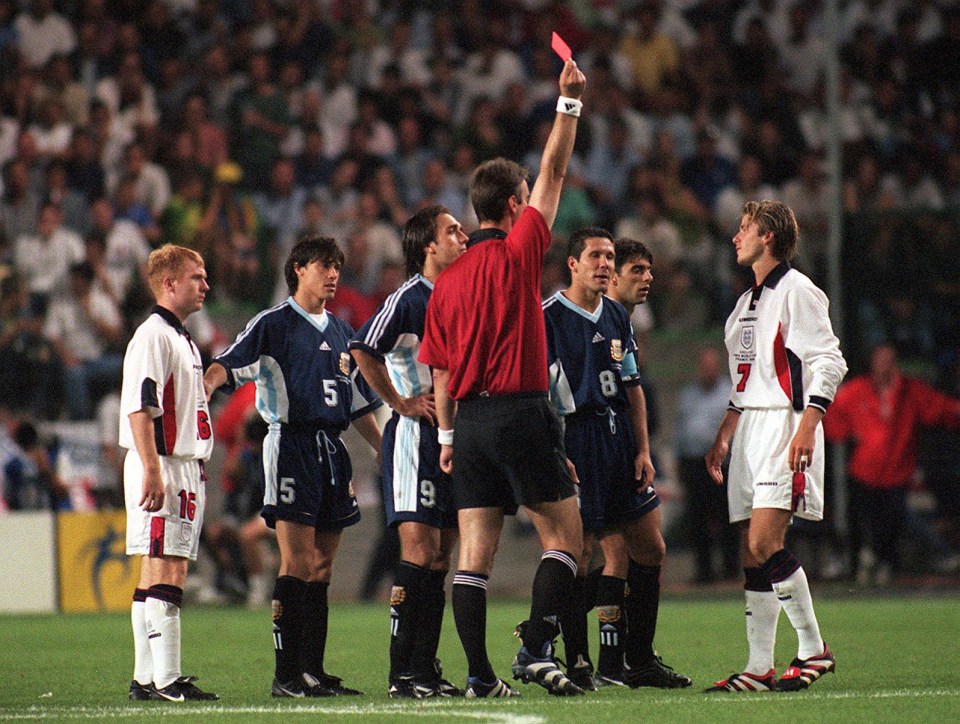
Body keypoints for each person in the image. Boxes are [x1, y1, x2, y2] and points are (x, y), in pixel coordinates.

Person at [418, 58, 587, 699]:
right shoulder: (519, 253)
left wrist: (446, 437)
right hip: (520, 410)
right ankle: (535, 643)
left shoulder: (445, 282)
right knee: (566, 538)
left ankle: (478, 677)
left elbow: (437, 369)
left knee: (473, 556)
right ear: (515, 207)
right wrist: (567, 104)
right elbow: (555, 171)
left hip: (470, 424)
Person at [203, 233, 382, 698]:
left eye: (337, 267)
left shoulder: (344, 333)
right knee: (297, 560)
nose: (333, 274)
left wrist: (383, 448)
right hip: (291, 445)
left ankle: (314, 670)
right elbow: (229, 362)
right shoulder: (274, 323)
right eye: (325, 265)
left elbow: (361, 401)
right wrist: (206, 385)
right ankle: (287, 673)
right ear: (298, 269)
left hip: (332, 450)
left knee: (323, 566)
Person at [704, 200, 847, 693]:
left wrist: (808, 425)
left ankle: (814, 648)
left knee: (766, 541)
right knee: (750, 551)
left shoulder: (799, 291)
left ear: (768, 236)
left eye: (744, 228)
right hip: (749, 433)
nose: (735, 237)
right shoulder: (743, 304)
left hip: (787, 424)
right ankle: (759, 666)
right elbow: (742, 387)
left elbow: (829, 361)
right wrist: (724, 435)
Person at [541, 229, 692, 691]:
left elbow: (633, 388)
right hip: (576, 440)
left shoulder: (616, 316)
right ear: (573, 263)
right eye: (596, 256)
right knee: (582, 551)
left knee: (650, 547)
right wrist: (555, 450)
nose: (604, 263)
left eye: (610, 256)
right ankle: (579, 660)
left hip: (619, 439)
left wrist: (642, 448)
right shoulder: (546, 318)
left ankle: (636, 659)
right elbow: (537, 394)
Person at [348, 205, 468, 699]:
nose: (463, 235)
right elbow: (362, 348)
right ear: (429, 246)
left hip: (454, 440)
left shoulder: (464, 297)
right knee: (418, 550)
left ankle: (425, 667)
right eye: (452, 230)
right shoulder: (407, 298)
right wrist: (398, 402)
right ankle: (402, 675)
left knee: (440, 557)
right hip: (414, 437)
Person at [120, 244, 218, 702]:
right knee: (169, 566)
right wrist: (153, 469)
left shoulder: (181, 336)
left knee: (153, 568)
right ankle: (167, 678)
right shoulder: (153, 336)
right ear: (169, 283)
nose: (206, 285)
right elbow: (141, 406)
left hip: (177, 464)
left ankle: (147, 677)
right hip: (164, 463)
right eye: (196, 277)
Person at [823, 343, 960, 584]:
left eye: (889, 360)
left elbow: (940, 409)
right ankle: (858, 569)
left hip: (897, 472)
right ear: (872, 363)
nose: (885, 366)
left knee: (892, 525)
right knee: (861, 522)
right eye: (881, 360)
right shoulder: (856, 391)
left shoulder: (909, 391)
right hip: (863, 472)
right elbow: (831, 419)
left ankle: (886, 570)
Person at [675, 347, 739, 584]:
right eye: (704, 366)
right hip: (694, 463)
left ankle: (731, 571)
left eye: (712, 365)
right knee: (698, 520)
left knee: (726, 517)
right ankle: (704, 572)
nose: (708, 370)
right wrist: (679, 458)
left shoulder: (728, 394)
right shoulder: (688, 394)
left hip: (722, 463)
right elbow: (680, 429)